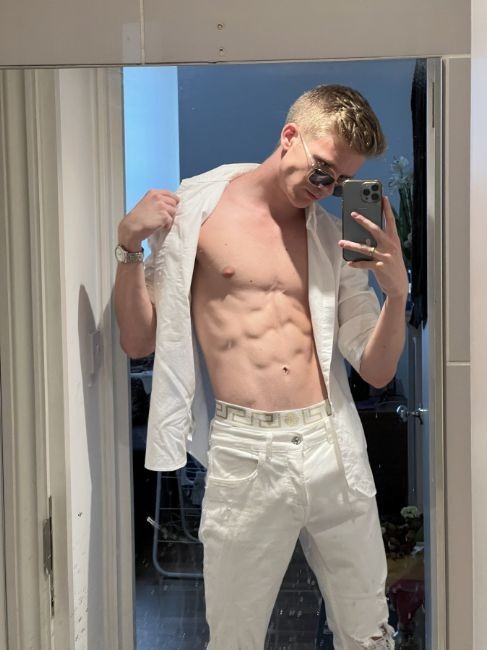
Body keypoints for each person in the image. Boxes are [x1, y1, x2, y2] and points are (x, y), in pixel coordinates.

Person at [115, 84, 408, 649]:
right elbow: (137, 339)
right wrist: (129, 245)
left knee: (368, 633)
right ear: (289, 135)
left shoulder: (332, 238)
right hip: (247, 453)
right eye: (322, 170)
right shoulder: (196, 216)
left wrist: (396, 293)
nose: (325, 189)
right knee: (235, 638)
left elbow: (375, 370)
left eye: (341, 182)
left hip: (332, 446)